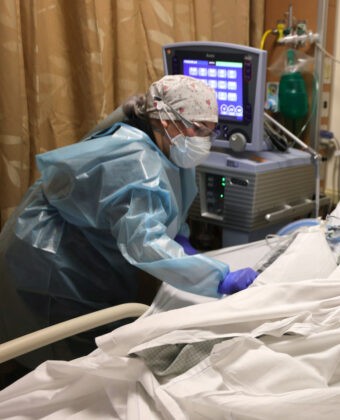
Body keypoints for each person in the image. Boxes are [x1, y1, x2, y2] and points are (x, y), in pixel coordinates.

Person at [0, 75, 257, 369]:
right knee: (57, 351)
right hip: (46, 260)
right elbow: (145, 244)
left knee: (91, 338)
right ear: (165, 120)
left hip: (81, 252)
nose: (203, 141)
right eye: (197, 129)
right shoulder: (136, 160)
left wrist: (180, 240)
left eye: (210, 132)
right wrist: (219, 278)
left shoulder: (170, 150)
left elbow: (166, 210)